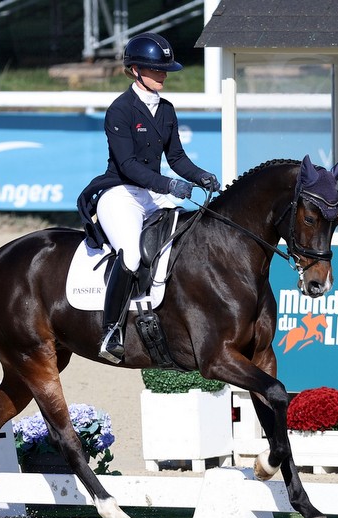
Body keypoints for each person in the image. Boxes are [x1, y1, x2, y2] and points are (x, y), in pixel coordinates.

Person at [77, 32, 219, 364]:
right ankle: (110, 332)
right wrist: (168, 187)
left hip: (151, 192)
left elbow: (178, 158)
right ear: (137, 70)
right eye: (158, 70)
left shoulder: (166, 109)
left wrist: (200, 176)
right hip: (120, 193)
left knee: (188, 236)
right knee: (129, 255)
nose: (164, 75)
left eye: (165, 70)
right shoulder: (120, 110)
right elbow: (127, 165)